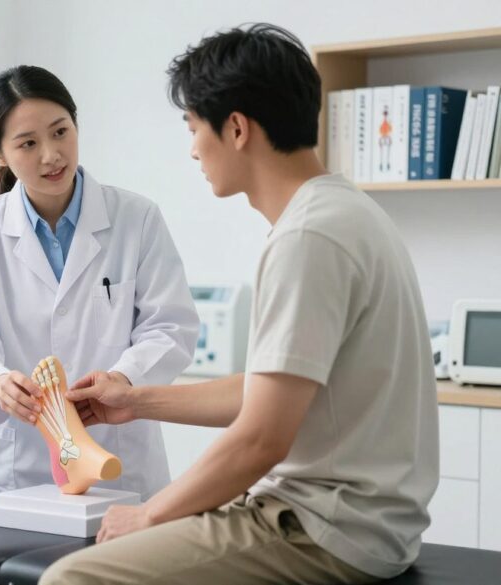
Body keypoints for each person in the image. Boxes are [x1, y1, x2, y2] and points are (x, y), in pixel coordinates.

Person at [43, 24, 438, 584]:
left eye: (193, 128)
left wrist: (150, 515)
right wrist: (134, 401)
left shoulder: (309, 237)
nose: (192, 149)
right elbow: (268, 393)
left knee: (71, 578)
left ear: (235, 128)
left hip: (319, 528)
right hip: (358, 523)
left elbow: (260, 439)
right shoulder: (345, 213)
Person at [0, 65, 198, 497]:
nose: (51, 155)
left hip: (117, 458)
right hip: (19, 465)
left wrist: (124, 378)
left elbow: (171, 326)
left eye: (60, 132)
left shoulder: (137, 219)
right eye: (28, 143)